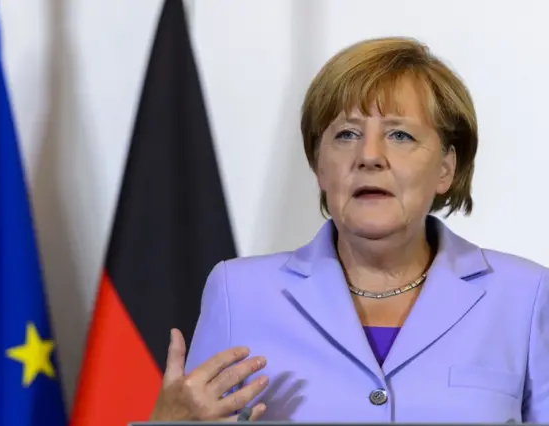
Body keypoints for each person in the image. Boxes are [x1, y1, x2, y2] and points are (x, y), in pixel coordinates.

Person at [148, 36, 549, 423]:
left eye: (399, 135)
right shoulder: (238, 292)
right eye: (347, 134)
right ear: (320, 166)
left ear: (446, 168)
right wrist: (165, 424)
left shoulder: (526, 297)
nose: (369, 156)